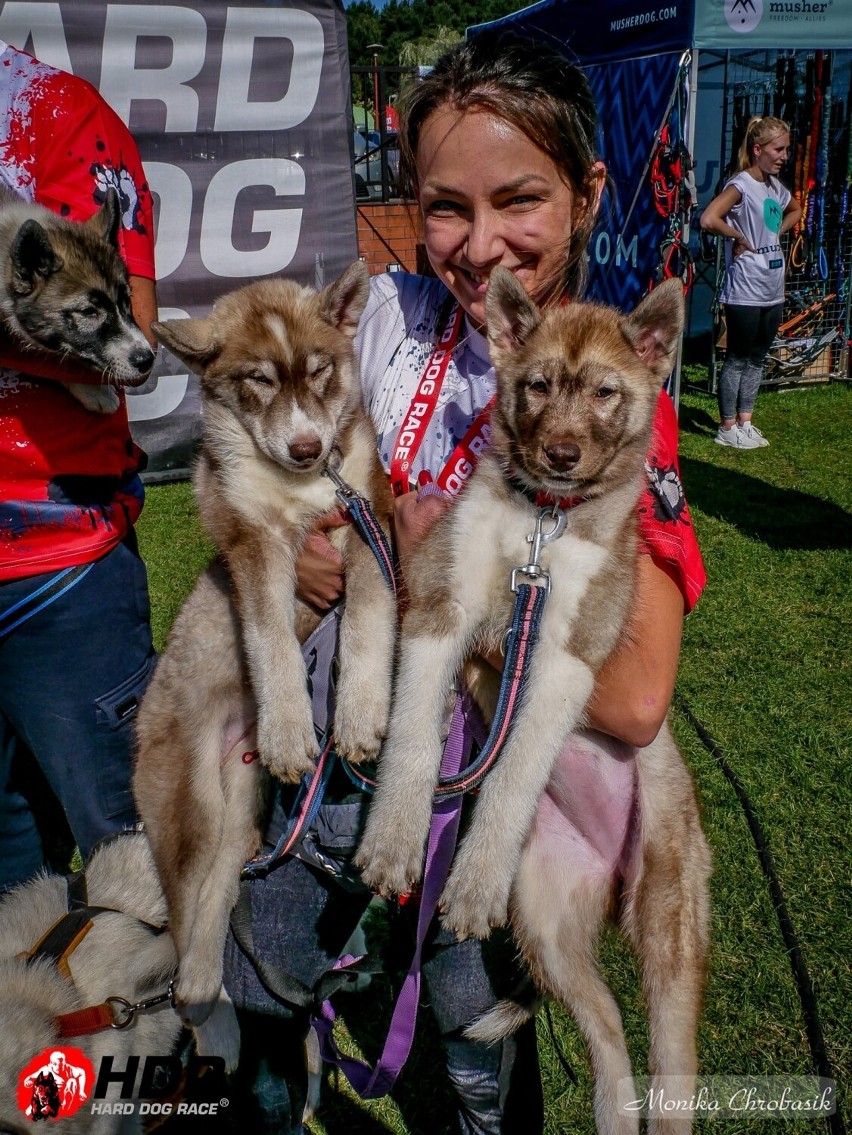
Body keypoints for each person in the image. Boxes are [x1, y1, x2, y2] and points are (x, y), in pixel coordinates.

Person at [223, 30, 706, 1134]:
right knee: (265, 997)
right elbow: (292, 527)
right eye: (446, 206)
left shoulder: (625, 395)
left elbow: (630, 696)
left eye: (518, 201)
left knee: (471, 1055)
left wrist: (433, 581)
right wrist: (321, 556)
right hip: (338, 780)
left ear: (586, 194)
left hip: (493, 800)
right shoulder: (394, 325)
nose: (480, 243)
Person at [0, 40, 158, 890]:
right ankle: (39, 1032)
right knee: (12, 884)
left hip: (57, 565)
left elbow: (131, 340)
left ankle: (176, 1026)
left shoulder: (57, 114)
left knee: (129, 864)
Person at [700, 115, 802, 449]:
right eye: (779, 149)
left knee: (758, 357)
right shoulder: (741, 185)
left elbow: (795, 209)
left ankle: (746, 421)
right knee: (738, 358)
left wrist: (777, 232)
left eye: (786, 149)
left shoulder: (774, 186)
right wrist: (736, 236)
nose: (784, 156)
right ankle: (727, 426)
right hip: (745, 288)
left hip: (772, 287)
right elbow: (708, 218)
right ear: (758, 149)